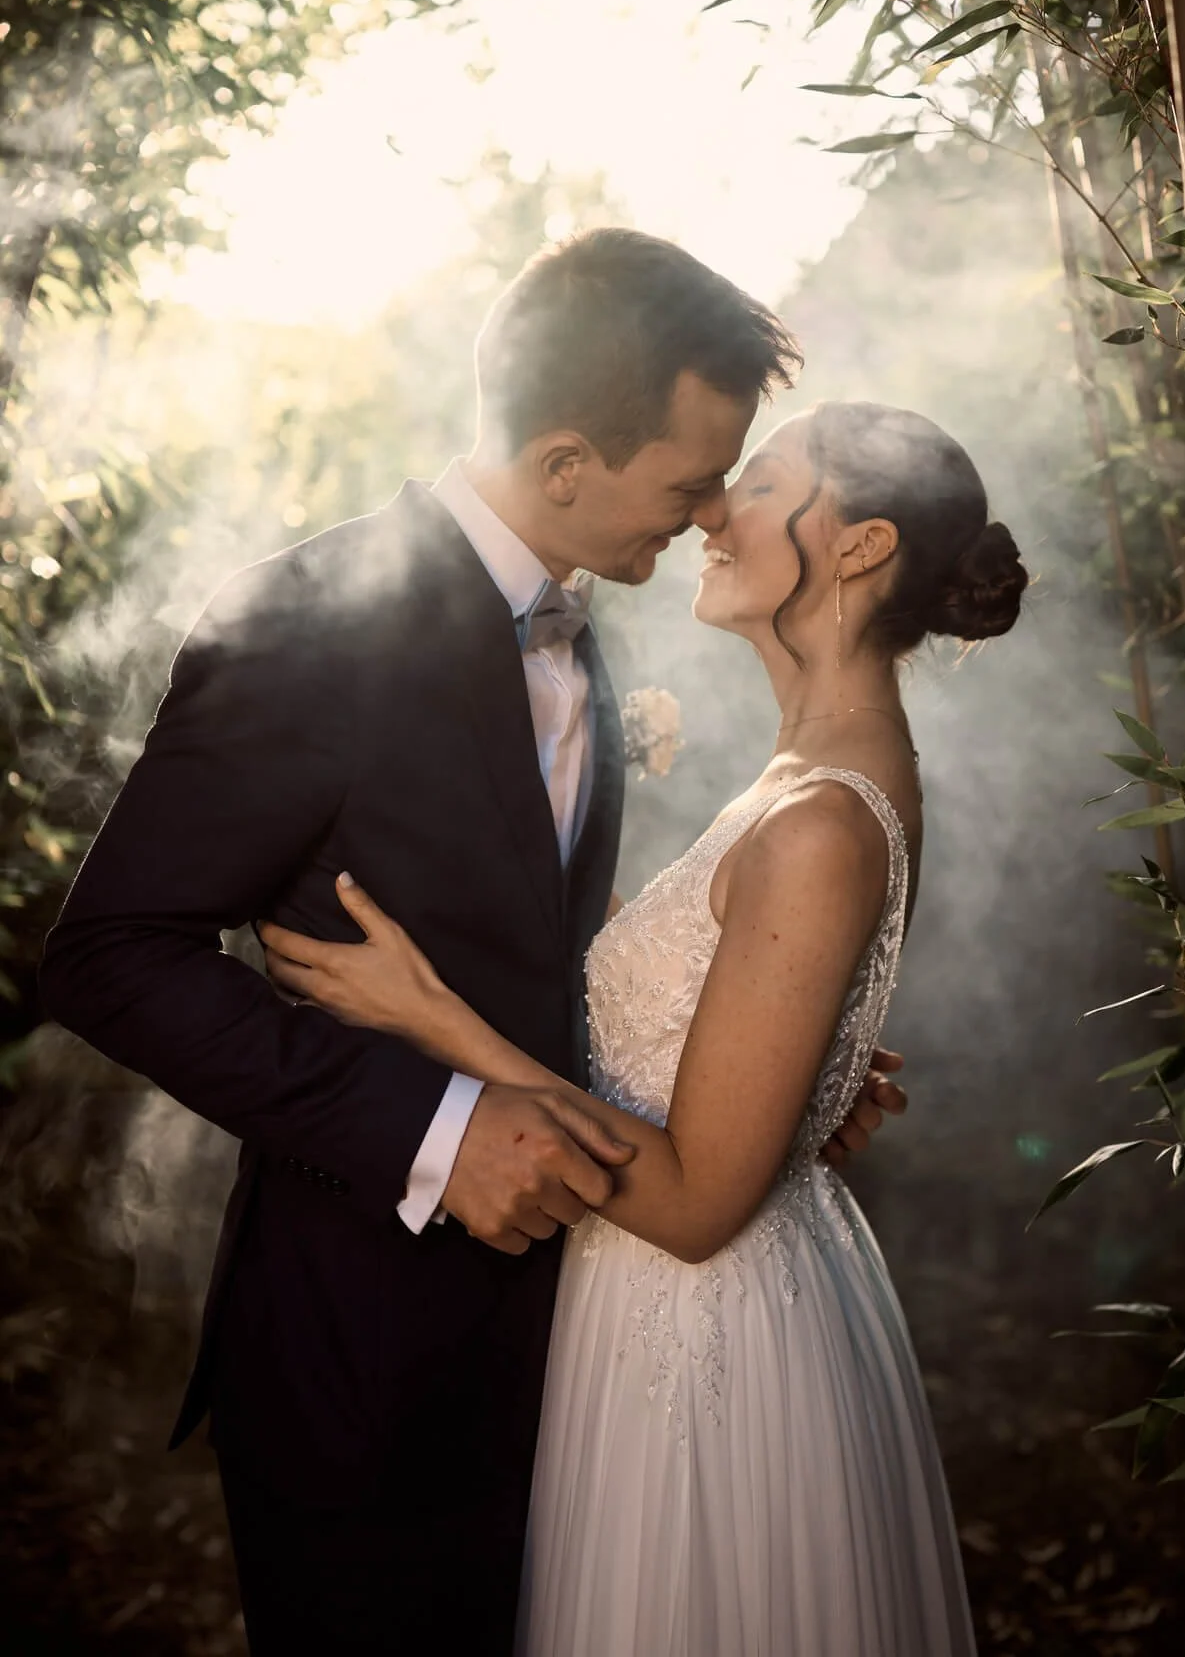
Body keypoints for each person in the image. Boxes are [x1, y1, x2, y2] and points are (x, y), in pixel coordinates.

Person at [38, 231, 905, 1656]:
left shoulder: (585, 621)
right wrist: (439, 1131)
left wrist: (761, 1059)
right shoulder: (307, 625)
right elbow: (111, 953)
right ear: (568, 464)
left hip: (590, 1347)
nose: (704, 522)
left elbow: (527, 950)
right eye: (690, 484)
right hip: (365, 1363)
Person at [260, 398, 1027, 1657]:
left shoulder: (822, 819)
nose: (713, 510)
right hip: (657, 1315)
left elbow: (689, 1203)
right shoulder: (803, 773)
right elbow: (682, 1008)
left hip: (708, 1333)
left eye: (761, 484)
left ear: (857, 545)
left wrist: (432, 1016)